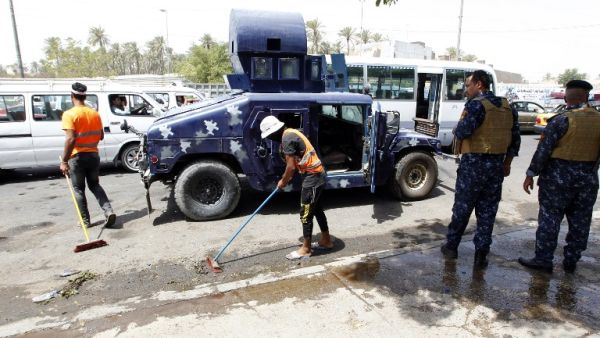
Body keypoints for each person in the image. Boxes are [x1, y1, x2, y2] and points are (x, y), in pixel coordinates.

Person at [441, 70, 521, 269]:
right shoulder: (507, 107)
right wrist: (507, 163)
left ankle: (451, 248)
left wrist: (456, 128)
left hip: (473, 168)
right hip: (496, 168)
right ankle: (481, 256)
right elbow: (515, 140)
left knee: (462, 209)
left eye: (468, 85)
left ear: (479, 85)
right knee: (487, 213)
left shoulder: (476, 105)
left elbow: (462, 131)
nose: (466, 89)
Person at [518, 80, 600, 273]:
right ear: (586, 97)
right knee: (581, 221)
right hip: (587, 181)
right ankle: (571, 260)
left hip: (557, 181)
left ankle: (544, 260)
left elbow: (543, 151)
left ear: (566, 97)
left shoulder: (562, 120)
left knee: (549, 219)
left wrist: (531, 174)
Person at [259, 115, 334, 260]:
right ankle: (326, 240)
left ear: (274, 131)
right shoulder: (291, 132)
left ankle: (306, 248)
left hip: (313, 177)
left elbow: (291, 167)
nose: (270, 138)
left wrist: (283, 181)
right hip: (316, 174)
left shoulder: (287, 138)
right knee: (316, 209)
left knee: (305, 213)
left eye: (269, 135)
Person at [60, 82, 116, 228]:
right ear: (84, 96)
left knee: (78, 189)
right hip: (93, 156)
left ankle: (85, 221)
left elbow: (70, 139)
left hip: (77, 157)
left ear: (72, 96)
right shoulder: (94, 113)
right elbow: (101, 136)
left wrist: (64, 161)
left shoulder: (69, 114)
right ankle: (108, 211)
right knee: (95, 185)